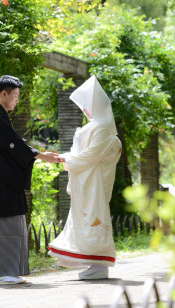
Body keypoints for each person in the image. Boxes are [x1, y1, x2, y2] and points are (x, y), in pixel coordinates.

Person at [0, 75, 63, 285]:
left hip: (2, 182)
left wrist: (36, 155)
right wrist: (41, 156)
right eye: (15, 95)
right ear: (3, 94)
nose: (16, 100)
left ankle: (6, 272)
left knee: (8, 229)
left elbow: (14, 144)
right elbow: (14, 144)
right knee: (1, 229)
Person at [48, 75, 122, 280]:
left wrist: (64, 158)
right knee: (86, 217)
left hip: (93, 182)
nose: (84, 109)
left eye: (86, 105)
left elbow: (90, 156)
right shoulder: (100, 126)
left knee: (93, 217)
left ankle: (99, 263)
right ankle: (95, 262)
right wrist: (67, 157)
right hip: (90, 181)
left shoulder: (101, 128)